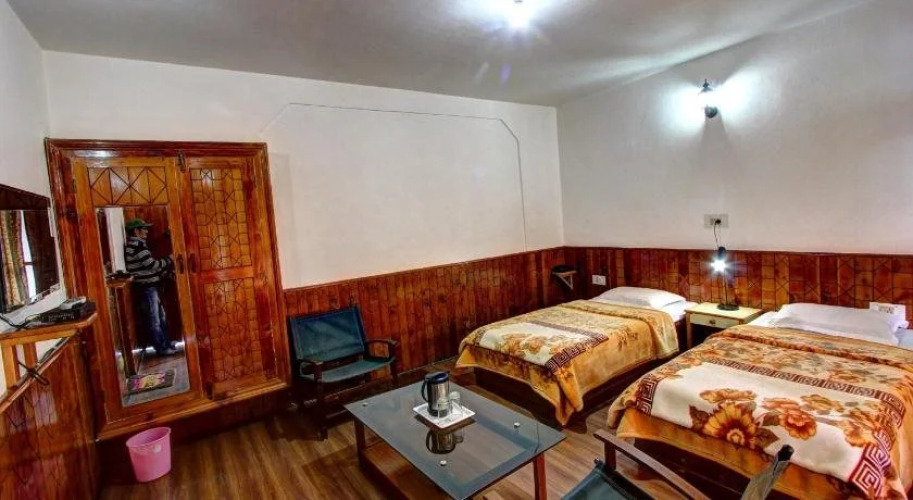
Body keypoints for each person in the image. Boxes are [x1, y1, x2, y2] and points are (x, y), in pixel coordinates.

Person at [123, 218, 177, 356]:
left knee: (160, 317)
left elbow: (148, 268)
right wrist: (170, 259)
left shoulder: (137, 245)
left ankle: (166, 343)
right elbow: (152, 265)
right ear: (136, 231)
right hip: (147, 288)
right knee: (155, 320)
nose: (147, 231)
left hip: (149, 287)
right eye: (144, 229)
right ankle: (162, 348)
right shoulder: (138, 246)